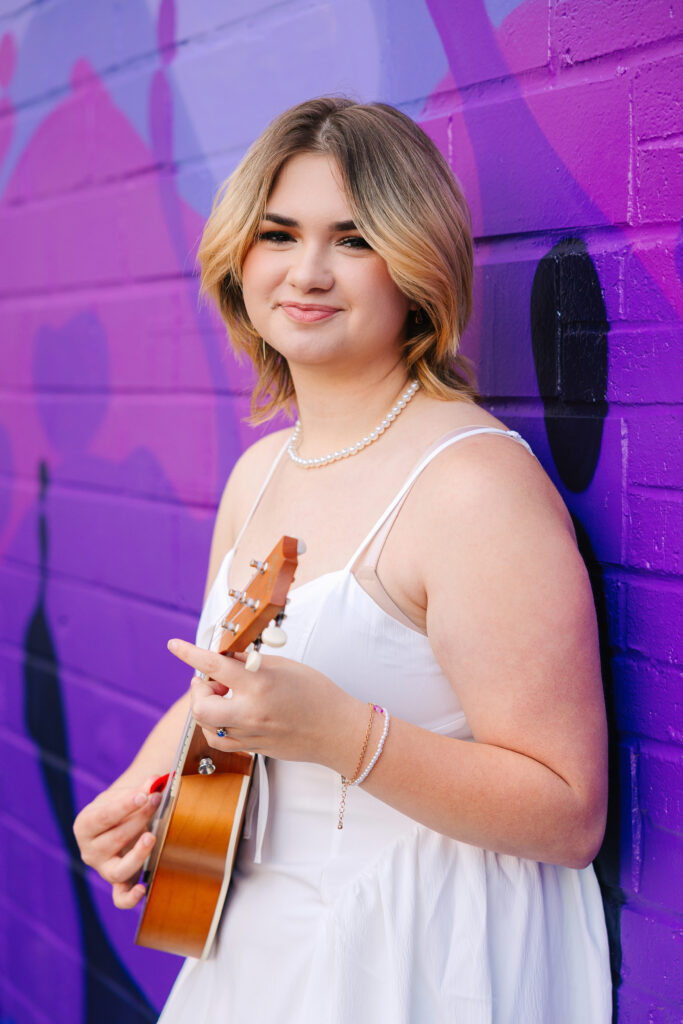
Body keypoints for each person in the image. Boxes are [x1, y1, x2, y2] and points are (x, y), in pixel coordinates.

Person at [74, 97, 612, 1022]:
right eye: (278, 234)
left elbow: (568, 815)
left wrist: (348, 738)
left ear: (416, 265)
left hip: (416, 961)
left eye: (353, 239)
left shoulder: (471, 486)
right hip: (257, 944)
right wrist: (143, 791)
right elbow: (229, 687)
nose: (307, 272)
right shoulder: (259, 472)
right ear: (239, 256)